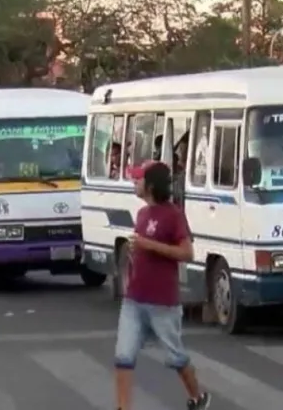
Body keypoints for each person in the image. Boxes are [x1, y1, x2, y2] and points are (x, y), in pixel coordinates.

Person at [114, 161, 210, 410]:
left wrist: (150, 245)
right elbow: (142, 248)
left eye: (139, 179)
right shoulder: (142, 214)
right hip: (134, 299)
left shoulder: (173, 215)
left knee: (175, 357)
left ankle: (198, 396)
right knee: (123, 356)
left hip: (163, 303)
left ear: (152, 184)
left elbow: (187, 253)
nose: (135, 183)